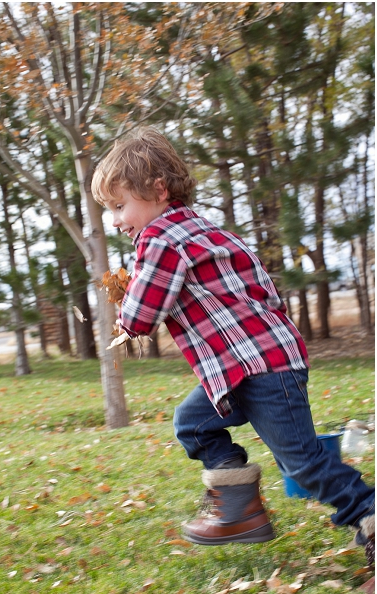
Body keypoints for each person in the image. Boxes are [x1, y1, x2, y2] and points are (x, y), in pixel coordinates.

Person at [90, 127, 374, 568]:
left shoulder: (160, 236)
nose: (115, 219)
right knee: (193, 421)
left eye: (119, 205)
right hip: (249, 365)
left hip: (261, 369)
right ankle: (241, 510)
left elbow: (143, 314)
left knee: (303, 464)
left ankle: (368, 516)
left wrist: (124, 312)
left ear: (159, 190)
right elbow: (265, 293)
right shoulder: (206, 231)